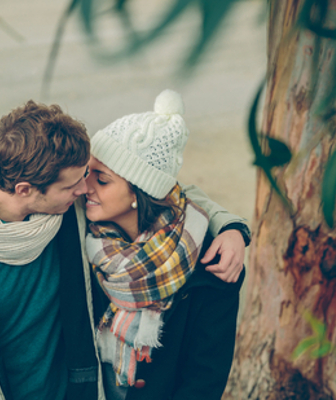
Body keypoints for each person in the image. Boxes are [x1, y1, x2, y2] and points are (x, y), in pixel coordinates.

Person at [0, 98, 248, 400]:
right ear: (26, 191)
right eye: (75, 184)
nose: (85, 190)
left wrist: (229, 226)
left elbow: (160, 191)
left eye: (89, 178)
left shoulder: (68, 207)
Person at [84, 89, 249, 400]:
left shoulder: (210, 262)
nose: (85, 186)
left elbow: (205, 377)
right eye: (86, 172)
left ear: (140, 192)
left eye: (102, 180)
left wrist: (232, 229)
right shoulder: (83, 236)